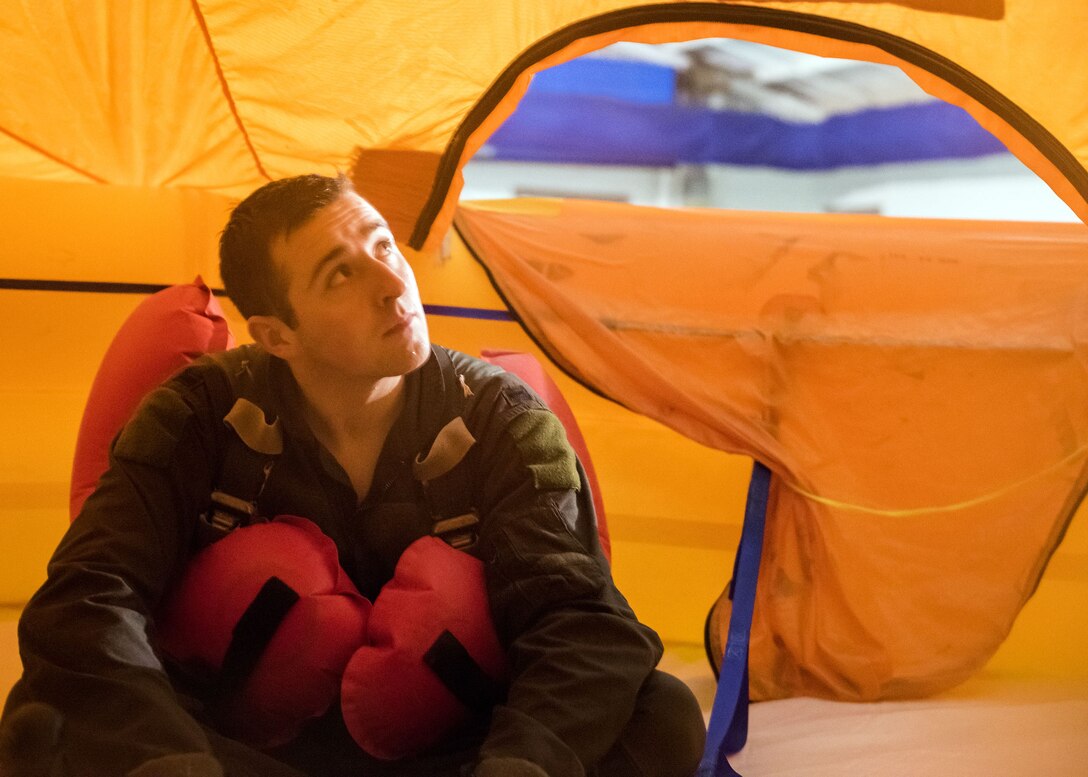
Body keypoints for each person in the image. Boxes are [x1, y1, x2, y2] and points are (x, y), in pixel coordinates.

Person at [0, 174, 706, 777]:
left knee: (659, 714)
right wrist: (171, 762)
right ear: (278, 334)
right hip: (235, 753)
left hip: (462, 755)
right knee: (38, 726)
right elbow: (89, 599)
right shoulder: (197, 415)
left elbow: (580, 620)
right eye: (342, 272)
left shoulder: (500, 419)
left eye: (383, 245)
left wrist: (519, 766)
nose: (393, 282)